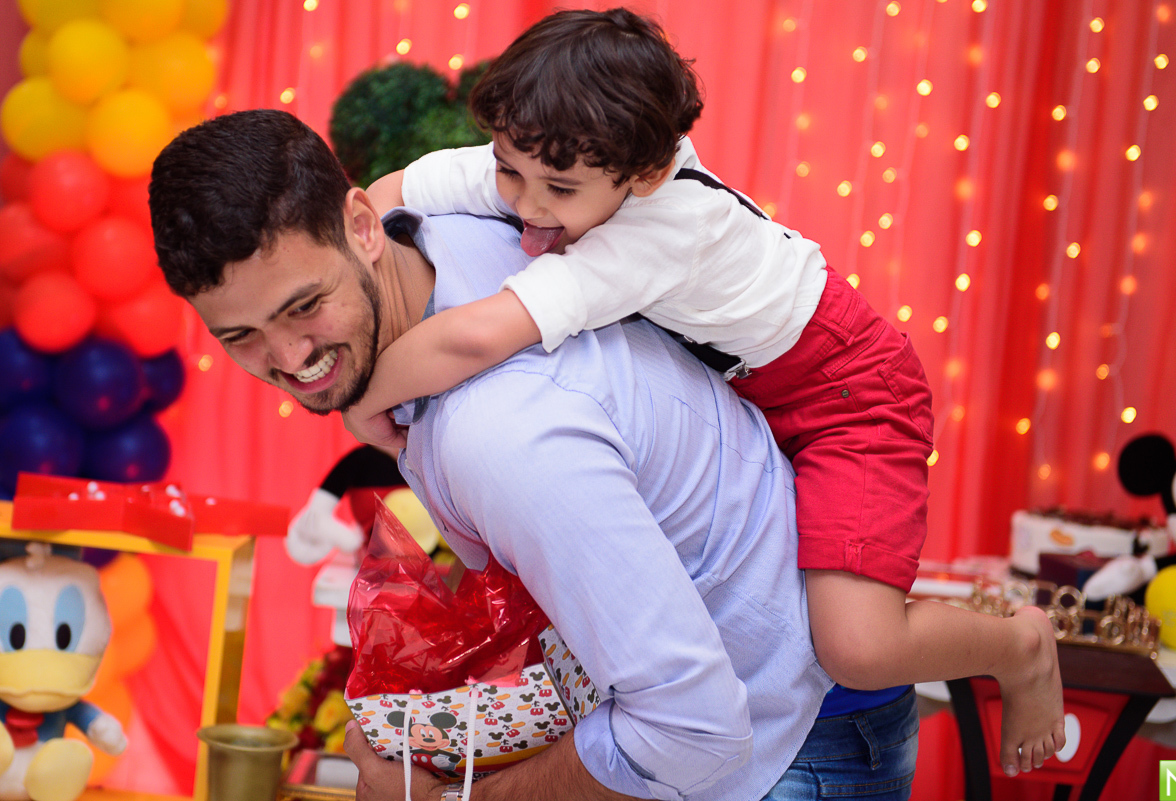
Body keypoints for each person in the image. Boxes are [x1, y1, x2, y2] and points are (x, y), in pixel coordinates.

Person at [347, 7, 1065, 778]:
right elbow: (391, 192)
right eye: (508, 172)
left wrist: (358, 396)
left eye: (558, 188)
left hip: (849, 395)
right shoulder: (556, 158)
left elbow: (477, 336)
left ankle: (1019, 645)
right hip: (757, 385)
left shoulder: (659, 230)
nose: (526, 205)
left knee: (857, 644)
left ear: (646, 174)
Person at [149, 109, 922, 801]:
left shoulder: (501, 436)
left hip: (787, 746)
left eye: (305, 306)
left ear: (360, 225)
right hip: (761, 688)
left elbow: (692, 728)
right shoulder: (456, 222)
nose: (290, 357)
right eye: (241, 336)